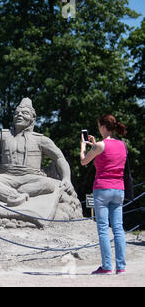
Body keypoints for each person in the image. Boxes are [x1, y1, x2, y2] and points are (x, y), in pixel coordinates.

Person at [0, 97, 74, 207]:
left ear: (32, 118)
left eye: (25, 113)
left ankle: (19, 192)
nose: (19, 115)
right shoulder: (1, 136)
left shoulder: (41, 139)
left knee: (49, 184)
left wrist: (67, 178)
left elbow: (59, 158)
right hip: (6, 177)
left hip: (31, 178)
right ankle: (14, 196)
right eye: (17, 113)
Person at [80, 114, 127, 275]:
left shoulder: (99, 145)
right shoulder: (123, 145)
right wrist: (94, 144)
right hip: (119, 189)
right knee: (118, 228)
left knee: (102, 228)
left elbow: (84, 161)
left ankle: (107, 266)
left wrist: (83, 146)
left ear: (102, 126)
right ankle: (121, 266)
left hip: (102, 189)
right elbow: (108, 155)